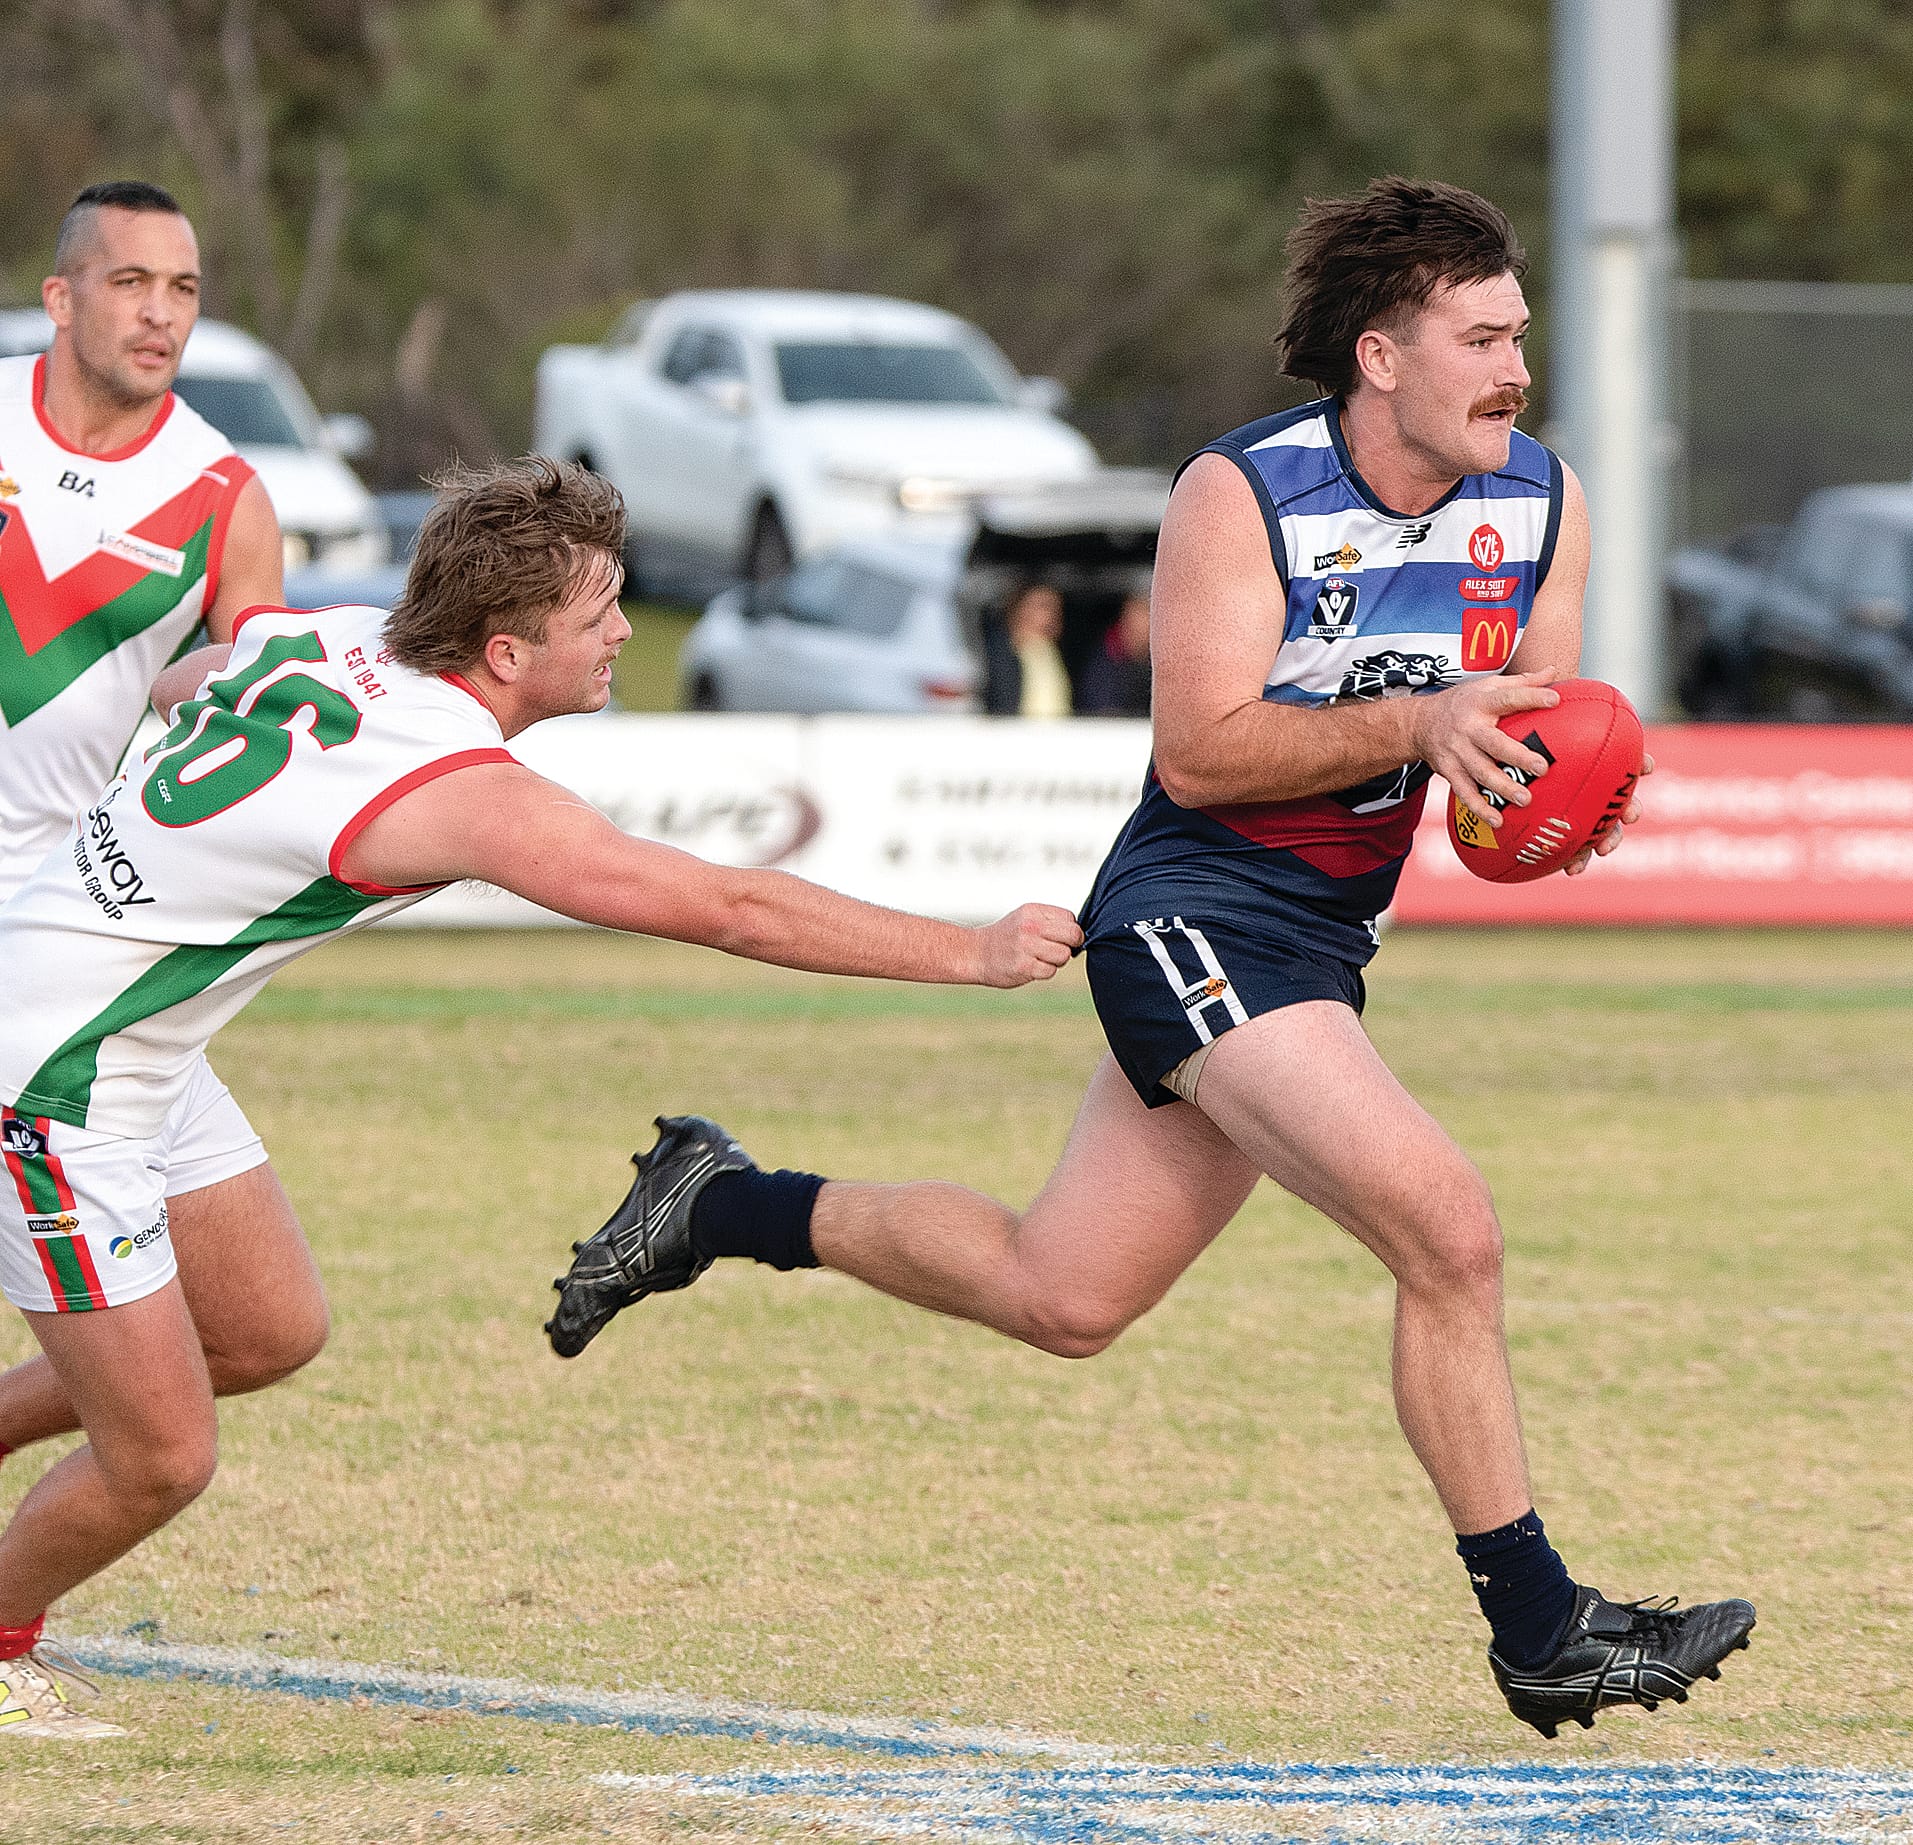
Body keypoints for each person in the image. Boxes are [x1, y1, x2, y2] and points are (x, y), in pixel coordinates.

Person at [551, 178, 1755, 1739]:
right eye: (1481, 335)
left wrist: (1546, 799)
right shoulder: (1238, 495)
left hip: (1317, 943)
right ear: (1381, 355)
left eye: (1517, 331)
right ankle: (1543, 1630)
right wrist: (1420, 722)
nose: (1514, 365)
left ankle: (718, 1202)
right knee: (1448, 1236)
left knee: (1065, 1295)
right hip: (1189, 914)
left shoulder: (1542, 502)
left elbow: (1529, 733)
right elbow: (1198, 753)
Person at [0, 456, 1082, 1738]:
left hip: (129, 1037)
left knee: (265, 1329)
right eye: (599, 616)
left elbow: (185, 684)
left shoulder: (324, 633)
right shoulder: (458, 793)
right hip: (57, 1078)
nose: (627, 631)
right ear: (507, 652)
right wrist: (965, 952)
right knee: (164, 1458)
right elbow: (727, 908)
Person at [0, 180, 291, 1736]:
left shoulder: (222, 493)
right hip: (30, 998)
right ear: (59, 299)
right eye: (127, 282)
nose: (161, 313)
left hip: (85, 942)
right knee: (164, 1436)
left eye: (182, 286)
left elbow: (255, 687)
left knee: (264, 1328)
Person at [982, 581, 1072, 717]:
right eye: (1043, 606)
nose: (1052, 613)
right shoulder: (1001, 653)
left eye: (1055, 606)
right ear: (1021, 609)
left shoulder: (1051, 652)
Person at [1076, 589, 1151, 717]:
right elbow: (1103, 713)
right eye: (1140, 614)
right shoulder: (1103, 663)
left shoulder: (1154, 661)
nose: (1147, 623)